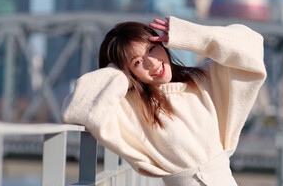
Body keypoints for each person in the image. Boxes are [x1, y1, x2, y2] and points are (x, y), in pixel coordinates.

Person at [61, 16, 266, 185]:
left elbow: (252, 46)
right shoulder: (130, 106)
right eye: (138, 62)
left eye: (152, 49)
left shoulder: (203, 80)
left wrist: (192, 36)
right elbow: (77, 108)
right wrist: (118, 72)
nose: (152, 63)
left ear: (163, 44)